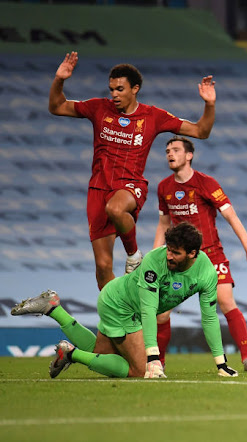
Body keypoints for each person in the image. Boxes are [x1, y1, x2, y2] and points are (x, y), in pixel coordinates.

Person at [48, 51, 218, 290]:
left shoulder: (153, 116)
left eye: (120, 89)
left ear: (135, 89)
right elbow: (56, 107)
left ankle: (134, 255)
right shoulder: (99, 108)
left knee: (115, 208)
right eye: (112, 89)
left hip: (130, 186)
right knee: (103, 266)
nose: (114, 95)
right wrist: (60, 79)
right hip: (98, 189)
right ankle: (117, 316)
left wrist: (209, 104)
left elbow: (201, 131)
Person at [11, 222, 237, 379]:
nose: (169, 255)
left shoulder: (207, 273)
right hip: (120, 305)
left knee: (101, 354)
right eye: (168, 249)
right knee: (138, 371)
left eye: (175, 252)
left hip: (122, 305)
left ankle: (53, 309)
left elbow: (209, 318)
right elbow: (149, 310)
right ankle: (70, 353)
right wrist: (153, 358)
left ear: (192, 253)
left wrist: (221, 363)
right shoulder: (154, 261)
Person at [153, 136, 247, 372]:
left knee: (226, 301)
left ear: (189, 155)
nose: (170, 154)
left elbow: (231, 216)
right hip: (180, 261)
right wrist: (156, 255)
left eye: (175, 150)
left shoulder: (206, 183)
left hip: (211, 256)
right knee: (161, 314)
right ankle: (158, 365)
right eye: (167, 151)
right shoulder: (164, 187)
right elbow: (164, 223)